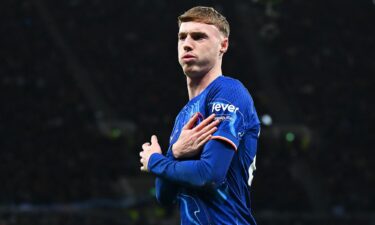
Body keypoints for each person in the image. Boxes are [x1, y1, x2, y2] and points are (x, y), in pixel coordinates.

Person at [140, 6, 260, 225]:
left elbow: (209, 174)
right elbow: (164, 196)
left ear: (223, 45)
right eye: (182, 37)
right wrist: (175, 153)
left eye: (198, 37)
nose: (187, 43)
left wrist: (155, 160)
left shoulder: (229, 92)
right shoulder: (183, 116)